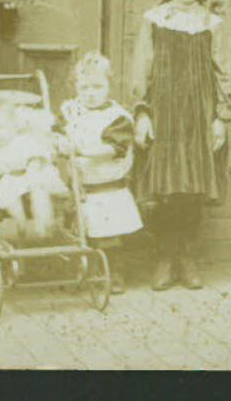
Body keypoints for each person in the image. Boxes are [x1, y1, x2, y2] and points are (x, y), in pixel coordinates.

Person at [131, 0, 231, 291]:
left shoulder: (212, 24)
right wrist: (143, 113)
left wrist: (219, 117)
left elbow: (224, 73)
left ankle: (187, 256)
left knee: (192, 188)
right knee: (165, 188)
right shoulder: (154, 21)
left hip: (198, 116)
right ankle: (165, 257)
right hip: (164, 115)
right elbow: (141, 70)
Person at [56, 52, 142, 293]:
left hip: (108, 186)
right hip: (82, 185)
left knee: (109, 234)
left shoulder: (116, 118)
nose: (91, 93)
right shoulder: (71, 111)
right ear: (75, 88)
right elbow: (58, 133)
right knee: (84, 232)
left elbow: (114, 149)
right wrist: (60, 143)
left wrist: (82, 149)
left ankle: (114, 273)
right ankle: (87, 270)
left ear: (109, 87)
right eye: (84, 88)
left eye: (97, 86)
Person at [0, 92, 69, 239]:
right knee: (10, 196)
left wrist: (33, 170)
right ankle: (21, 223)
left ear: (14, 127)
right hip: (5, 182)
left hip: (29, 178)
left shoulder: (23, 141)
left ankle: (44, 226)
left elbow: (36, 156)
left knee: (40, 191)